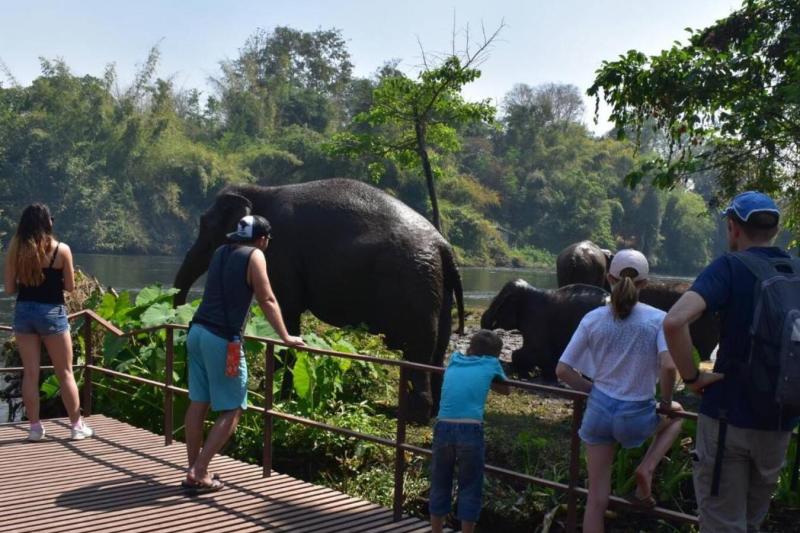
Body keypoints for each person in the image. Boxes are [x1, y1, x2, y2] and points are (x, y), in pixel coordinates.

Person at [664, 191, 799, 532]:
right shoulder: (796, 270)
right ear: (775, 229)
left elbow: (674, 321)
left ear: (732, 227)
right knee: (752, 523)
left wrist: (692, 377)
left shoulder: (729, 267)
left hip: (729, 420)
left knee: (723, 523)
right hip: (780, 422)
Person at [556, 249, 683, 533]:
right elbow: (668, 366)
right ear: (645, 283)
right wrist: (665, 401)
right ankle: (647, 468)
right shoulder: (658, 319)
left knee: (595, 500)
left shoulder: (593, 318)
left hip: (599, 412)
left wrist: (594, 390)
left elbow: (562, 370)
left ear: (608, 277)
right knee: (676, 416)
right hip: (636, 417)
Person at [182, 214, 305, 493]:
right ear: (262, 239)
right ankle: (199, 471)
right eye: (267, 240)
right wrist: (285, 337)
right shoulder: (255, 255)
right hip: (225, 341)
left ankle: (193, 469)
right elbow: (267, 298)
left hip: (197, 332)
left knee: (198, 402)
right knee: (233, 407)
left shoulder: (220, 252)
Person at [3, 203, 94, 441]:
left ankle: (34, 428)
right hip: (52, 312)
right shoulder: (61, 250)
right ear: (47, 223)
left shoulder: (15, 249)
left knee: (30, 374)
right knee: (65, 372)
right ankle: (76, 426)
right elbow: (71, 287)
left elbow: (10, 288)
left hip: (24, 312)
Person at [429, 329, 510, 533]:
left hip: (443, 425)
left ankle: (436, 530)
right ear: (496, 355)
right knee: (470, 485)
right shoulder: (491, 364)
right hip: (470, 429)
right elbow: (506, 390)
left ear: (469, 347)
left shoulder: (455, 359)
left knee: (440, 481)